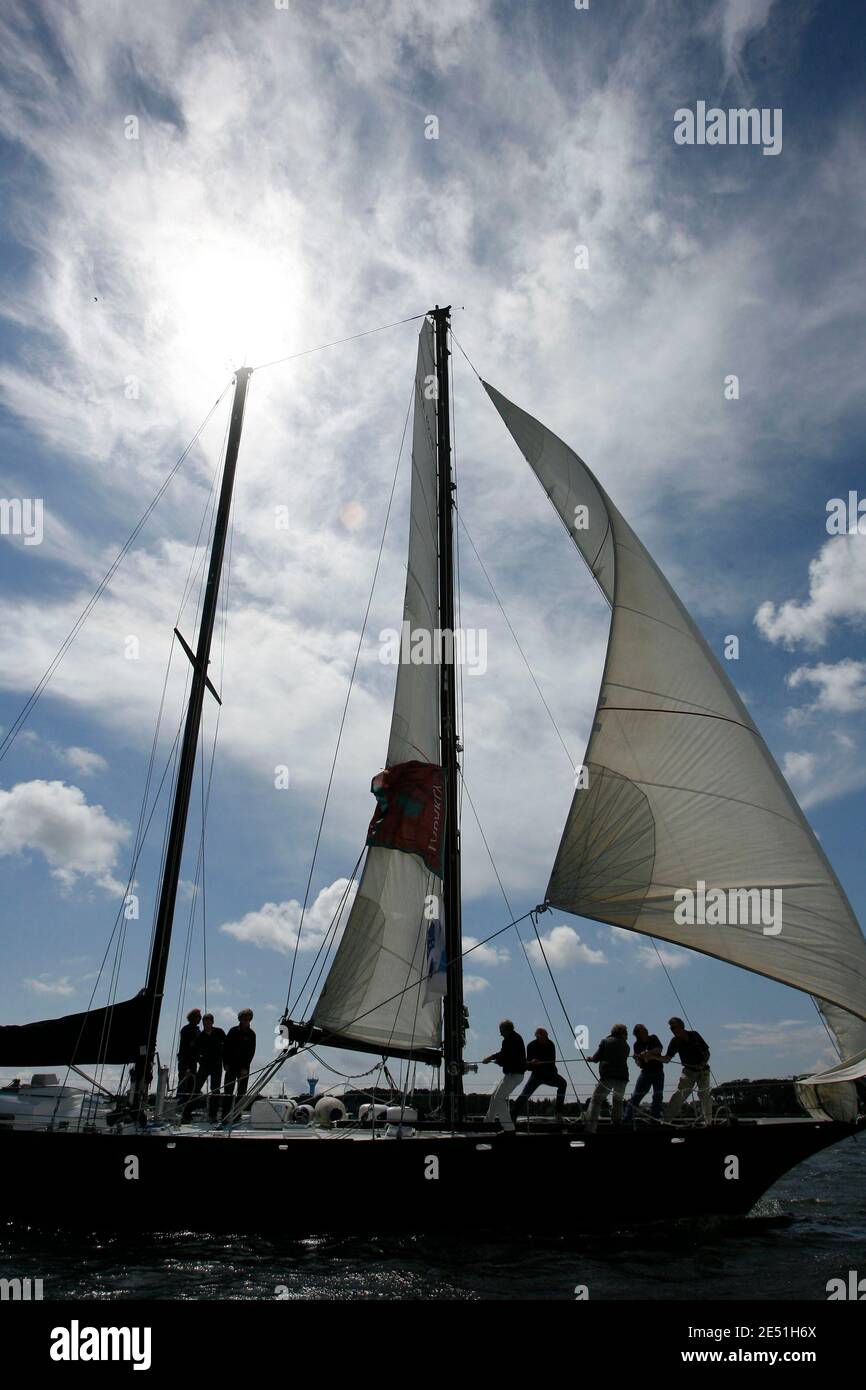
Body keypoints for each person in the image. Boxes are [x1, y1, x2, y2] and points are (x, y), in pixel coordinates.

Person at [661, 1016, 712, 1124]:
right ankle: (665, 1122)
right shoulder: (674, 1041)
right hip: (688, 1071)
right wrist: (652, 1057)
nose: (672, 1030)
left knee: (704, 1095)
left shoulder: (694, 1035)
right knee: (679, 1095)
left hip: (703, 1071)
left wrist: (702, 1064)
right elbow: (667, 1059)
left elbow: (707, 1052)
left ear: (681, 1026)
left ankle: (709, 1123)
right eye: (671, 1028)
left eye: (674, 1027)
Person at [513, 1027, 567, 1120]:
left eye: (546, 1037)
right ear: (537, 1037)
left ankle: (558, 1113)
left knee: (563, 1084)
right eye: (542, 1037)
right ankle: (512, 1115)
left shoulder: (550, 1044)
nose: (545, 1039)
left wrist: (540, 1063)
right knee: (525, 1094)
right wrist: (532, 1063)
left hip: (550, 1074)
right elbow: (528, 1066)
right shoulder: (531, 1046)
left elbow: (552, 1063)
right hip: (537, 1075)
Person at [584, 1023, 630, 1133]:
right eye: (626, 1034)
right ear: (622, 1033)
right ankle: (616, 1124)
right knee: (618, 1101)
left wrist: (590, 1059)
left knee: (596, 1101)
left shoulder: (605, 1041)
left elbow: (596, 1058)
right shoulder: (626, 1046)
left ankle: (591, 1128)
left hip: (608, 1077)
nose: (627, 1036)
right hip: (623, 1078)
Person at [483, 1020, 526, 1133]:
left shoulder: (510, 1040)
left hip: (514, 1075)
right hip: (512, 1074)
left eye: (501, 1031)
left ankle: (509, 1128)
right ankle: (487, 1123)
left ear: (506, 1030)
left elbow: (506, 1056)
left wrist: (492, 1058)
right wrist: (497, 1059)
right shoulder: (514, 1038)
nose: (500, 1034)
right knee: (494, 1097)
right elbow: (507, 1056)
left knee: (499, 1098)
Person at [186, 1012, 226, 1122]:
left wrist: (225, 1063)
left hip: (217, 1065)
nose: (207, 1024)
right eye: (205, 1022)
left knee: (215, 1090)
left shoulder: (219, 1032)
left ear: (212, 1022)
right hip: (204, 1065)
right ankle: (187, 1113)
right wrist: (190, 1067)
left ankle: (212, 1114)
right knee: (196, 1088)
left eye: (209, 1022)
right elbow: (193, 1053)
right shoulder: (200, 1036)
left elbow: (226, 1047)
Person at [623, 1023, 665, 1125]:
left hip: (658, 1072)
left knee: (658, 1096)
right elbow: (639, 1064)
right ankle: (627, 1119)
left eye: (645, 1030)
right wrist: (637, 1059)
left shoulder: (653, 1038)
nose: (645, 1032)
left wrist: (647, 1053)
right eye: (643, 1031)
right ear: (638, 1034)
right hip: (646, 1073)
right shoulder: (637, 1045)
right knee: (637, 1096)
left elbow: (659, 1049)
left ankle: (655, 1119)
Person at [222, 1008, 256, 1120]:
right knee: (228, 1092)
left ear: (250, 1020)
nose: (245, 1021)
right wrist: (225, 1063)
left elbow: (251, 1052)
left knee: (241, 1093)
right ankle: (225, 1115)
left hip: (244, 1068)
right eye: (243, 1019)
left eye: (248, 1019)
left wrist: (245, 1067)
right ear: (240, 1019)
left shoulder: (252, 1034)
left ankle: (237, 1115)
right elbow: (225, 1048)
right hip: (231, 1066)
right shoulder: (233, 1031)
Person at [176, 1008, 201, 1114]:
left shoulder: (197, 1030)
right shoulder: (186, 1030)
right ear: (192, 1018)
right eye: (197, 1016)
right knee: (183, 1084)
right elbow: (185, 1048)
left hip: (193, 1062)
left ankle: (188, 1108)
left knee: (191, 1086)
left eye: (199, 1017)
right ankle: (178, 1107)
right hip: (185, 1061)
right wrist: (186, 1067)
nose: (199, 1019)